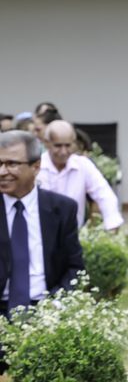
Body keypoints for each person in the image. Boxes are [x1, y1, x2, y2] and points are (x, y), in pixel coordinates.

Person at [0, 130, 84, 319]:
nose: (2, 172)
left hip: (46, 311)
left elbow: (75, 268)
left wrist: (54, 306)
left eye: (11, 164)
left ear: (36, 167)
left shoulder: (62, 209)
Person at [36, 120, 123, 231]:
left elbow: (104, 194)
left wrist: (112, 222)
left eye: (68, 145)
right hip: (41, 233)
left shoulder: (83, 165)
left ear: (74, 143)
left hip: (74, 234)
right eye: (58, 146)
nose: (63, 151)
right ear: (46, 143)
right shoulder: (35, 166)